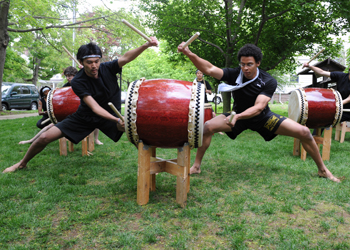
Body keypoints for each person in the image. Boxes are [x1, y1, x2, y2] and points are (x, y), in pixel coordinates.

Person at [177, 43, 340, 182]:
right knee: (207, 127)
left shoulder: (268, 80)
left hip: (262, 118)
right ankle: (196, 166)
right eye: (242, 64)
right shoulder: (235, 74)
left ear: (258, 63)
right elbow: (209, 68)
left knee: (304, 132)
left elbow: (259, 107)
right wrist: (189, 53)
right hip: (238, 116)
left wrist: (238, 116)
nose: (245, 68)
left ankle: (322, 170)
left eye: (249, 64)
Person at [3, 37, 158, 173]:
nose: (94, 66)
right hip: (86, 117)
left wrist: (146, 45)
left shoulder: (108, 68)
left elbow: (125, 57)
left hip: (110, 115)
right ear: (81, 62)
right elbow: (95, 107)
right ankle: (22, 163)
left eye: (96, 61)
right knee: (44, 137)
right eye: (89, 63)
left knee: (137, 132)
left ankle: (151, 162)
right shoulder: (78, 81)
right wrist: (117, 120)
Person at [63, 65, 104, 145]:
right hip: (72, 109)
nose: (68, 78)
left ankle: (96, 139)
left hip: (85, 106)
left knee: (95, 119)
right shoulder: (65, 87)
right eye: (67, 76)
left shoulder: (82, 82)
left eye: (70, 76)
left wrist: (84, 69)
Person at [195, 69, 224, 134]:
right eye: (198, 73)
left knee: (213, 114)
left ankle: (218, 130)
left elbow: (210, 92)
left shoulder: (205, 82)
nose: (199, 74)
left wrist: (208, 91)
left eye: (201, 73)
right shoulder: (194, 82)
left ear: (202, 75)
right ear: (196, 74)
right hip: (196, 101)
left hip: (205, 101)